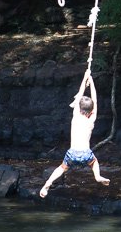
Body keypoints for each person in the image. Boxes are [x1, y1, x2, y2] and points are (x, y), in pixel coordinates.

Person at [39, 70, 110, 198]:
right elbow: (95, 100)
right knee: (94, 162)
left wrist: (85, 78)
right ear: (91, 111)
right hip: (86, 154)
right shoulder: (91, 120)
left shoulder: (76, 115)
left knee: (61, 168)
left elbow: (80, 93)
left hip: (73, 153)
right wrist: (92, 81)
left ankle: (47, 184)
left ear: (79, 107)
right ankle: (97, 176)